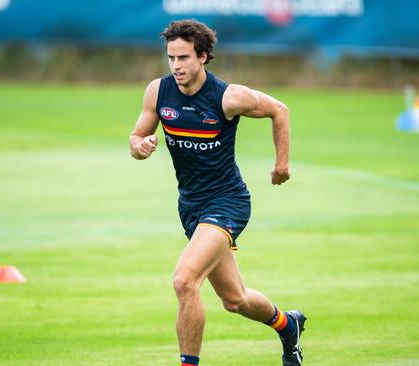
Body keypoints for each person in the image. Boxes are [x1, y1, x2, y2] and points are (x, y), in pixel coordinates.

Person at [128, 19, 307, 366]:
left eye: (184, 58)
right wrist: (142, 146)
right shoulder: (157, 91)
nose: (176, 66)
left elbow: (278, 110)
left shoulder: (229, 97)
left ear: (204, 57)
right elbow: (135, 138)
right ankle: (288, 325)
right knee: (235, 299)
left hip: (227, 202)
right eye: (171, 58)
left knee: (184, 280)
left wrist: (281, 164)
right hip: (191, 207)